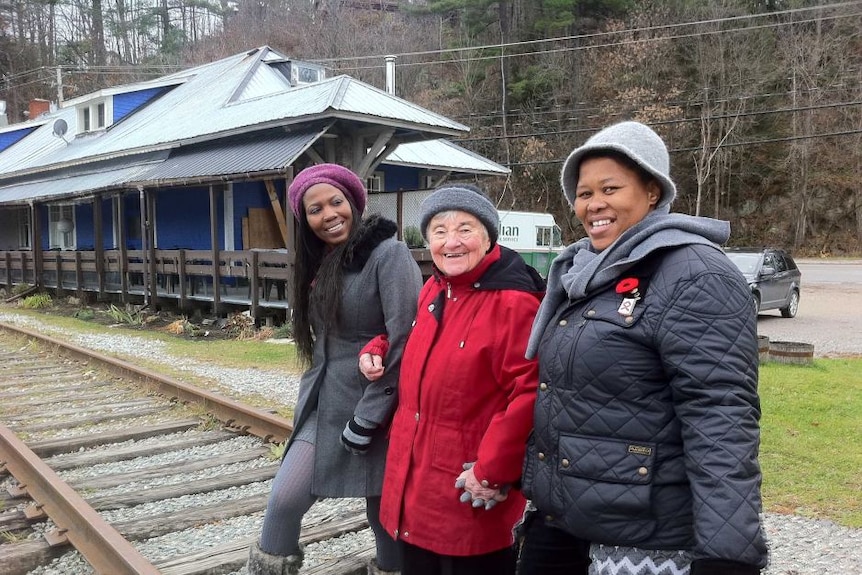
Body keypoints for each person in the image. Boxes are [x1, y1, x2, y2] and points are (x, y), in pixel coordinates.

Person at [518, 121, 769, 575]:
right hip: (567, 519)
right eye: (583, 192)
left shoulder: (694, 273)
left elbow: (720, 413)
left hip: (645, 537)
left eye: (610, 188)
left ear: (652, 191)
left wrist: (728, 554)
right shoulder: (588, 272)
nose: (593, 204)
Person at [248, 163, 422, 575]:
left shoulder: (388, 254)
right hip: (324, 404)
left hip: (380, 410)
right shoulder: (319, 262)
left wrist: (369, 416)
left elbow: (407, 340)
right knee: (284, 502)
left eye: (336, 202)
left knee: (384, 517)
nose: (328, 215)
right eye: (315, 209)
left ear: (354, 203)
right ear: (304, 220)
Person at [372, 183, 546, 575]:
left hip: (469, 484)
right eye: (439, 231)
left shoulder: (513, 302)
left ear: (488, 238)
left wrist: (493, 470)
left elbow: (529, 392)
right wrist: (379, 345)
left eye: (465, 229)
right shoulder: (434, 288)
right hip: (413, 478)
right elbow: (417, 344)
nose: (452, 242)